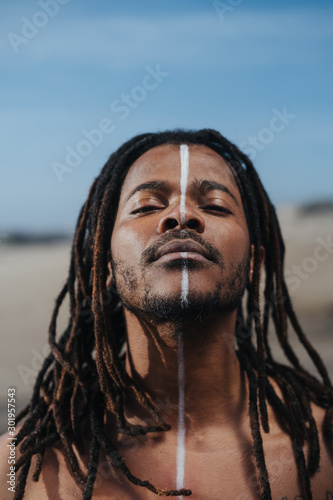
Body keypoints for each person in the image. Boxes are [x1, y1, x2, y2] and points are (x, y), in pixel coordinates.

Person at [1, 129, 332, 500]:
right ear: (105, 263)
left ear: (254, 262)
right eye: (146, 206)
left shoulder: (326, 446)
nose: (182, 215)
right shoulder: (17, 470)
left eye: (216, 206)